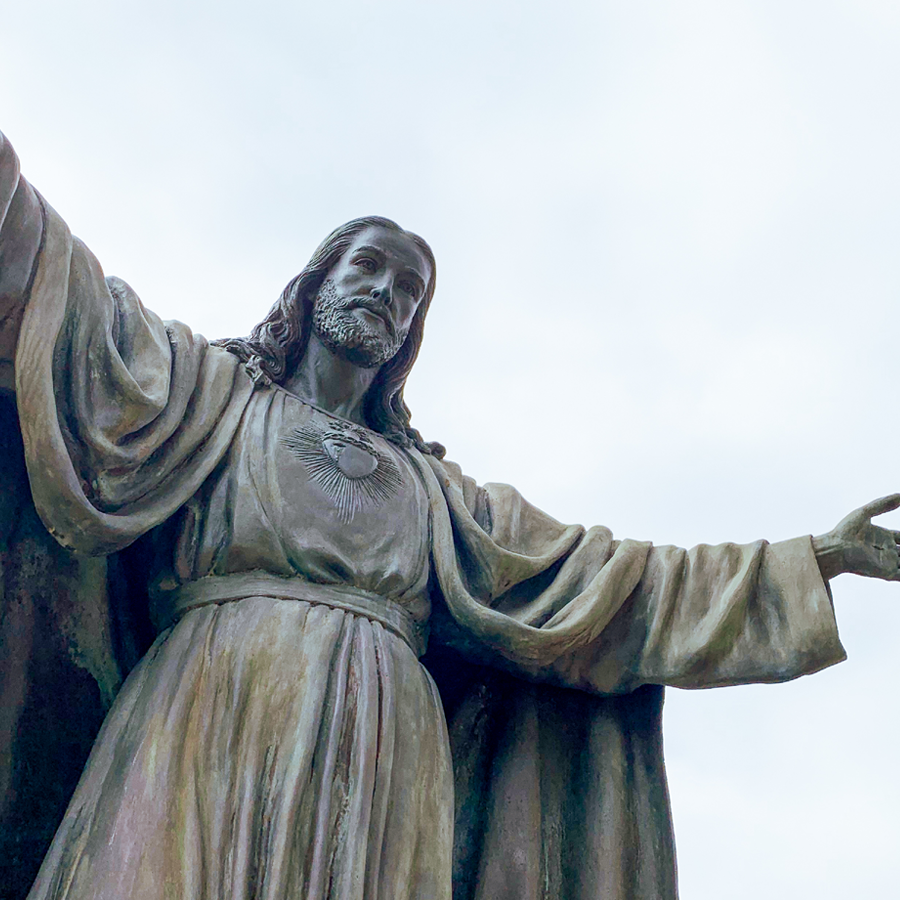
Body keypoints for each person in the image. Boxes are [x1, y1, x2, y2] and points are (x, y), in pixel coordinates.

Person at [0, 128, 897, 900]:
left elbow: (606, 580)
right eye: (368, 267)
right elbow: (67, 302)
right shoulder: (213, 394)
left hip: (381, 752)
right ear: (313, 285)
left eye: (409, 290)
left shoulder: (437, 495)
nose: (386, 293)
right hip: (210, 702)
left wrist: (813, 558)